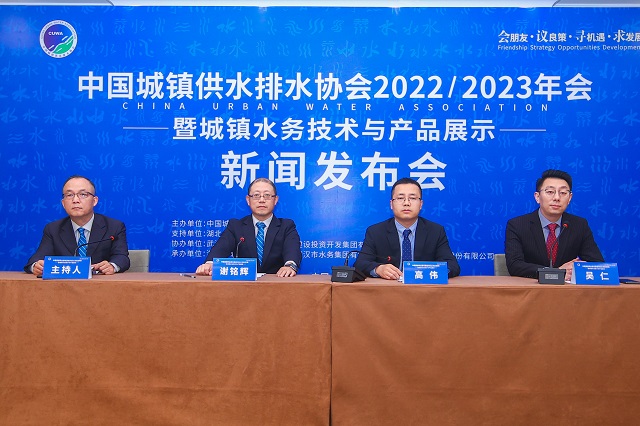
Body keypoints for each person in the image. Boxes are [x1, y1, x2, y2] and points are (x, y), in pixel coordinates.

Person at [505, 169, 604, 280]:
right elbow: (515, 265)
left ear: (569, 198)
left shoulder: (579, 225)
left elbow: (597, 264)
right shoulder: (517, 225)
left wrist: (579, 267)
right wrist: (556, 273)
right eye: (550, 192)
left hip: (567, 290)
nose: (557, 198)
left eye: (563, 193)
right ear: (537, 197)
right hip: (532, 288)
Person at [354, 177, 460, 280]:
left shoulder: (435, 231)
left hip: (423, 288)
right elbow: (360, 264)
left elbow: (452, 266)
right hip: (388, 289)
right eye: (400, 198)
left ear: (421, 204)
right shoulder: (376, 232)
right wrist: (378, 269)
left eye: (412, 198)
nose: (406, 203)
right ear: (391, 204)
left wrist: (428, 272)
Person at [24, 175, 130, 275]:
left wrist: (112, 266)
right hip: (64, 286)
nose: (75, 200)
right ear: (63, 203)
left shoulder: (114, 227)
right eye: (69, 195)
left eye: (83, 194)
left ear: (94, 201)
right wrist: (36, 266)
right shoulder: (53, 229)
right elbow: (36, 259)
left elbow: (122, 257)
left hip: (100, 284)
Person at [195, 178, 302, 277]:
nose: (261, 200)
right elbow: (221, 248)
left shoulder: (286, 226)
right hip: (243, 285)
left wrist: (290, 266)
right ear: (248, 200)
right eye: (256, 195)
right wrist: (209, 264)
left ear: (275, 200)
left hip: (277, 284)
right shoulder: (236, 226)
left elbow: (292, 250)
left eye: (267, 195)